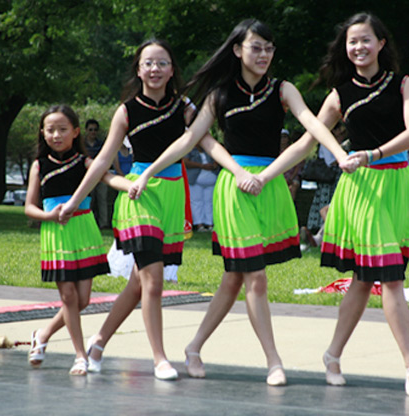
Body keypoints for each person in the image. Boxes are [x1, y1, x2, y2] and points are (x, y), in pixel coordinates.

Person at [127, 19, 353, 386]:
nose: (263, 55)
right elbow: (192, 140)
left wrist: (336, 155)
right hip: (234, 189)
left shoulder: (283, 89)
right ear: (237, 50)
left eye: (269, 48)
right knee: (256, 277)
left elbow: (309, 128)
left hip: (269, 185)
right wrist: (149, 171)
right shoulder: (219, 94)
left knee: (235, 277)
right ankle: (274, 361)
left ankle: (194, 347)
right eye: (256, 47)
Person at [255, 12, 409, 396]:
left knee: (365, 281)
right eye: (352, 42)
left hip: (394, 183)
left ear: (382, 43)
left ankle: (332, 354)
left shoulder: (404, 84)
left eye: (366, 40)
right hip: (360, 190)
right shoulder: (339, 94)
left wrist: (373, 153)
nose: (359, 47)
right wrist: (268, 175)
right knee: (390, 278)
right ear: (345, 49)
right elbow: (306, 141)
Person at [58, 39, 221, 380]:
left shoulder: (184, 107)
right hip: (139, 195)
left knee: (138, 284)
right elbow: (103, 159)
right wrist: (74, 200)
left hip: (173, 197)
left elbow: (203, 140)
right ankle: (160, 358)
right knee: (155, 281)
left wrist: (234, 168)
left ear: (172, 69)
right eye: (148, 63)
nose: (155, 69)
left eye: (162, 63)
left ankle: (98, 341)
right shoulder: (127, 110)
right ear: (138, 69)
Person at [24, 105, 131, 376]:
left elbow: (107, 176)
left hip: (85, 231)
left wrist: (130, 184)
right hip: (56, 233)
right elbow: (29, 207)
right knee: (68, 296)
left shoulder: (84, 162)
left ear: (75, 132)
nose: (56, 135)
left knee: (82, 300)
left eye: (62, 129)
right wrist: (50, 215)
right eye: (50, 130)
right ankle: (80, 356)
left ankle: (43, 333)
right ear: (42, 133)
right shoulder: (39, 165)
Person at [306, 123, 346, 233]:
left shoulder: (338, 143)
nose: (342, 134)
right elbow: (330, 161)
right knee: (323, 202)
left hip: (336, 177)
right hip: (327, 177)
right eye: (340, 131)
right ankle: (318, 228)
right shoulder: (326, 143)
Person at [183, 145, 219, 231]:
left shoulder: (210, 148)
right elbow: (185, 162)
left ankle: (209, 224)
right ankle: (199, 224)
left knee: (209, 202)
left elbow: (217, 159)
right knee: (196, 202)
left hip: (211, 179)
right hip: (195, 179)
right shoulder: (189, 149)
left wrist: (214, 165)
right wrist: (201, 166)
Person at [84, 119, 110, 229]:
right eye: (90, 130)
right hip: (87, 176)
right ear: (86, 131)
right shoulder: (82, 144)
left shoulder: (102, 144)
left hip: (101, 175)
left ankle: (104, 224)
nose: (93, 132)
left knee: (102, 199)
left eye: (95, 130)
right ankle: (89, 223)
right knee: (90, 200)